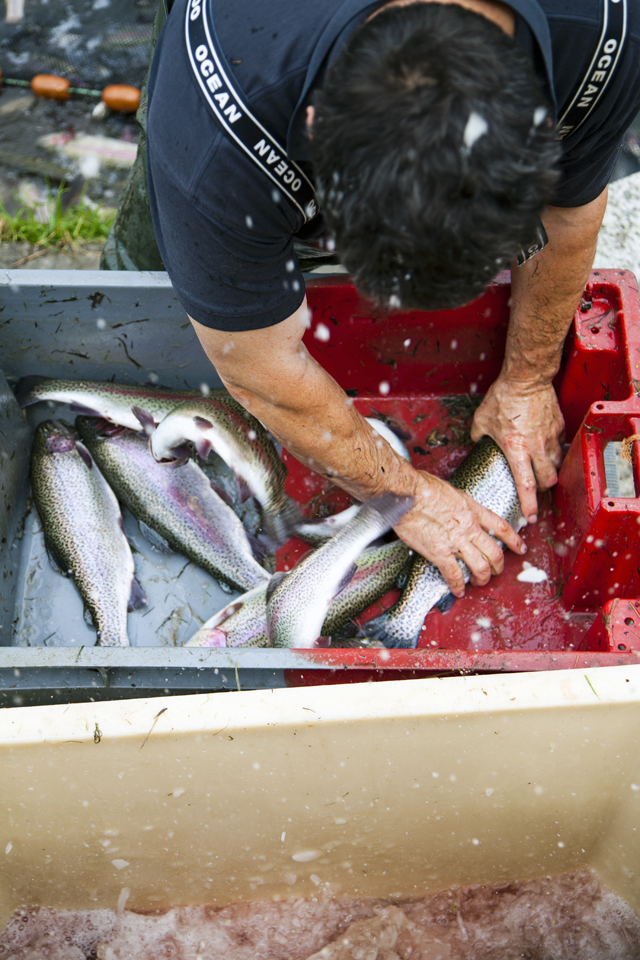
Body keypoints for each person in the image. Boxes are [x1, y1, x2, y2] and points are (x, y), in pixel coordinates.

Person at [103, 0, 640, 599]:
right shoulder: (218, 131)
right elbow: (256, 368)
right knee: (171, 281)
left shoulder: (604, 42)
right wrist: (405, 497)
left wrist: (528, 380)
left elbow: (569, 214)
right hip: (241, 81)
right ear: (314, 127)